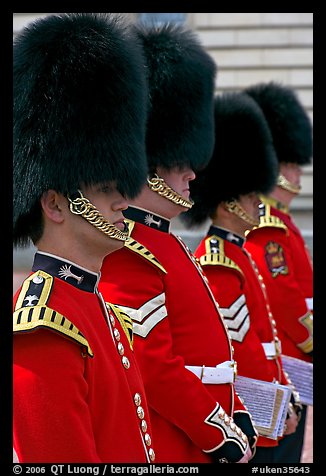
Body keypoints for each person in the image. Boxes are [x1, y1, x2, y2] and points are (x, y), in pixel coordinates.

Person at [99, 23, 257, 464]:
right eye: (180, 162)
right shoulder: (127, 246)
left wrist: (235, 411)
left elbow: (209, 352)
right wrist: (216, 430)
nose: (192, 173)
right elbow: (152, 365)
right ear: (150, 165)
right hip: (178, 443)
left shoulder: (168, 243)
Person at [13, 13, 156, 463]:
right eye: (106, 189)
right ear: (55, 204)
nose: (123, 203)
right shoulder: (44, 329)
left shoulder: (101, 309)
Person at [180, 91, 301, 463]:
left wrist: (286, 389)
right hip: (257, 407)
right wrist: (272, 407)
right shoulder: (219, 261)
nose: (256, 204)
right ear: (226, 201)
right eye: (249, 196)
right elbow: (241, 350)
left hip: (272, 394)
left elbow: (267, 338)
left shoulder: (239, 253)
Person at [243, 82, 313, 463]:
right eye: (292, 164)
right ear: (279, 166)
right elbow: (283, 297)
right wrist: (311, 339)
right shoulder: (269, 225)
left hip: (293, 360)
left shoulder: (282, 222)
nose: (299, 174)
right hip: (286, 360)